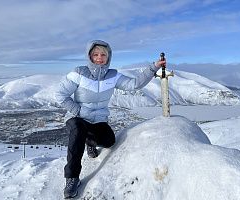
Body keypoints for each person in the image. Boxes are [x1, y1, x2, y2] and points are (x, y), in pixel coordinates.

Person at [56, 40, 166, 199]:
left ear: (109, 57)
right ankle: (72, 178)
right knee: (78, 130)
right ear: (90, 56)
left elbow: (134, 84)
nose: (99, 58)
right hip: (78, 118)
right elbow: (59, 94)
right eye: (95, 54)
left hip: (99, 120)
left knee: (108, 141)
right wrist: (78, 110)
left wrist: (154, 66)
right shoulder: (79, 73)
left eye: (103, 54)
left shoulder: (112, 76)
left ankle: (90, 142)